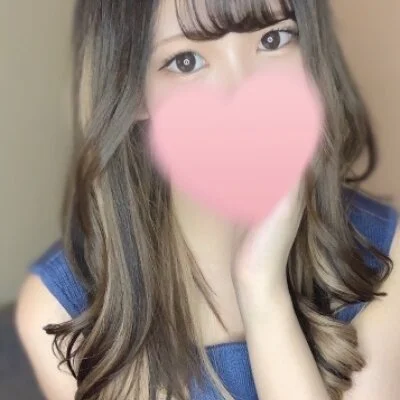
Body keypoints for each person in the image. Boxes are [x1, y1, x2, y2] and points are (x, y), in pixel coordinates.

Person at [15, 0, 400, 399]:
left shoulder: (381, 255)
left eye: (273, 39)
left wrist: (262, 290)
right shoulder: (58, 310)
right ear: (132, 92)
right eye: (186, 62)